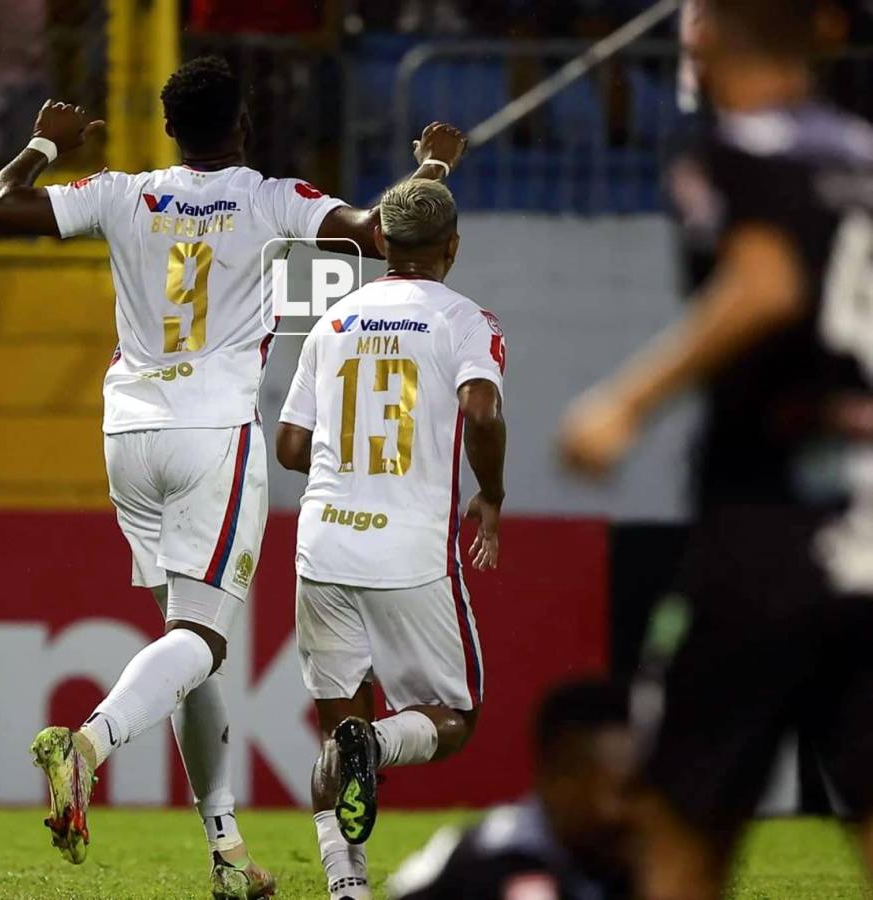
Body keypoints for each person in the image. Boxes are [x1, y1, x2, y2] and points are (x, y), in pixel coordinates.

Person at [0, 55, 467, 899]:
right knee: (200, 640)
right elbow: (388, 232)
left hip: (130, 431)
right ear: (243, 125)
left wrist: (43, 145)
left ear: (168, 129)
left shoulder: (120, 192)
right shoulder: (273, 198)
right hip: (214, 433)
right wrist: (433, 167)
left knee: (184, 639)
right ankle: (86, 745)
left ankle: (226, 850)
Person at [559, 2, 873, 898]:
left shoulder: (733, 154)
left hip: (769, 527)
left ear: (696, 36)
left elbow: (767, 283)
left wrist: (625, 403)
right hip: (869, 525)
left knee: (680, 818)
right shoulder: (862, 153)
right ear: (826, 28)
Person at [275, 178, 507, 900]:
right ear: (452, 248)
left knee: (337, 726)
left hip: (323, 546)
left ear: (380, 244)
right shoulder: (467, 320)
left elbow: (289, 445)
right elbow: (483, 410)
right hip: (409, 552)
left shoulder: (332, 321)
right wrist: (491, 496)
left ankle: (347, 890)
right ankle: (375, 745)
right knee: (455, 718)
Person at [388, 680, 636, 900]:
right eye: (599, 787)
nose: (614, 809)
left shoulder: (638, 849)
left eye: (630, 790)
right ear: (551, 777)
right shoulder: (494, 861)